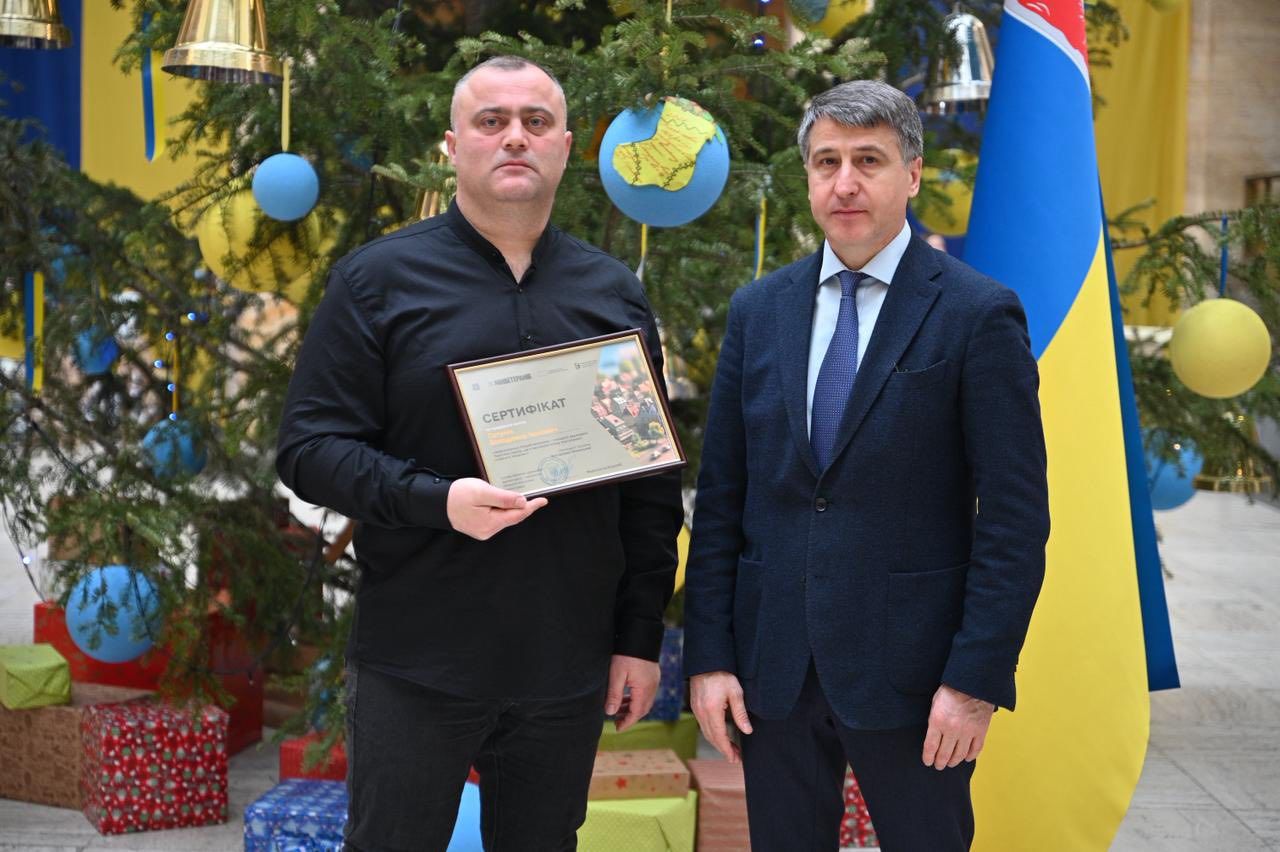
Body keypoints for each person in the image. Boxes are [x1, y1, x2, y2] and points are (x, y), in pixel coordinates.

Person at [276, 56, 682, 851]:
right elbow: (309, 450)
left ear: (566, 145)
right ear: (452, 146)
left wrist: (638, 637)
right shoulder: (376, 281)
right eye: (491, 121)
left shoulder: (612, 294)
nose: (515, 138)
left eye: (536, 121)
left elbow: (651, 484)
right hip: (417, 660)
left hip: (566, 664)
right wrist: (438, 501)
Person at [683, 79, 1049, 851]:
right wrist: (709, 658)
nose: (844, 182)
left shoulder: (977, 313)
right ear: (808, 176)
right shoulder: (759, 311)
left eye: (868, 161)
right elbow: (721, 499)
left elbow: (1014, 520)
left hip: (917, 677)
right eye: (827, 162)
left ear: (911, 175)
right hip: (774, 673)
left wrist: (974, 680)